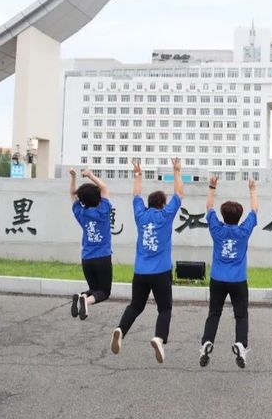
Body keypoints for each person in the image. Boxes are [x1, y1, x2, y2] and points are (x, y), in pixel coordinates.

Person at [111, 158, 183, 364]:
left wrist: (138, 174)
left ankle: (121, 329)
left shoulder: (140, 215)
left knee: (136, 306)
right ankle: (158, 338)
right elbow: (179, 193)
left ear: (149, 203)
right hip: (161, 272)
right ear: (162, 204)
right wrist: (176, 171)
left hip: (140, 272)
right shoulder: (166, 215)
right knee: (164, 309)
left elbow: (136, 195)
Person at [198, 176, 259, 369]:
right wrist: (252, 190)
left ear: (223, 216)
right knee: (241, 315)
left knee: (214, 313)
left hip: (217, 279)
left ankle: (207, 343)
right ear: (239, 217)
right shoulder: (243, 231)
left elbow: (209, 207)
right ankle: (240, 344)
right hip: (238, 280)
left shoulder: (217, 229)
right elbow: (254, 210)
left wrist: (212, 186)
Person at [68, 168, 113, 320]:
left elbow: (72, 194)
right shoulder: (103, 211)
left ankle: (82, 296)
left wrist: (73, 177)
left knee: (94, 289)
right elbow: (104, 187)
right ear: (98, 198)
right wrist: (90, 175)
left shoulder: (81, 213)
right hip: (102, 257)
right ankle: (85, 301)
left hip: (86, 258)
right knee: (104, 292)